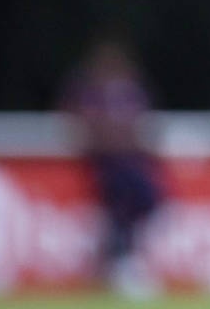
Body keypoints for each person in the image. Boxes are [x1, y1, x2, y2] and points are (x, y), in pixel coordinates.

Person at [60, 37, 167, 298]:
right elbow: (79, 123)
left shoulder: (130, 91)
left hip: (132, 161)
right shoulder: (91, 92)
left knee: (144, 202)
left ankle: (118, 261)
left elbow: (141, 125)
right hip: (105, 162)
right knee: (117, 210)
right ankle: (116, 265)